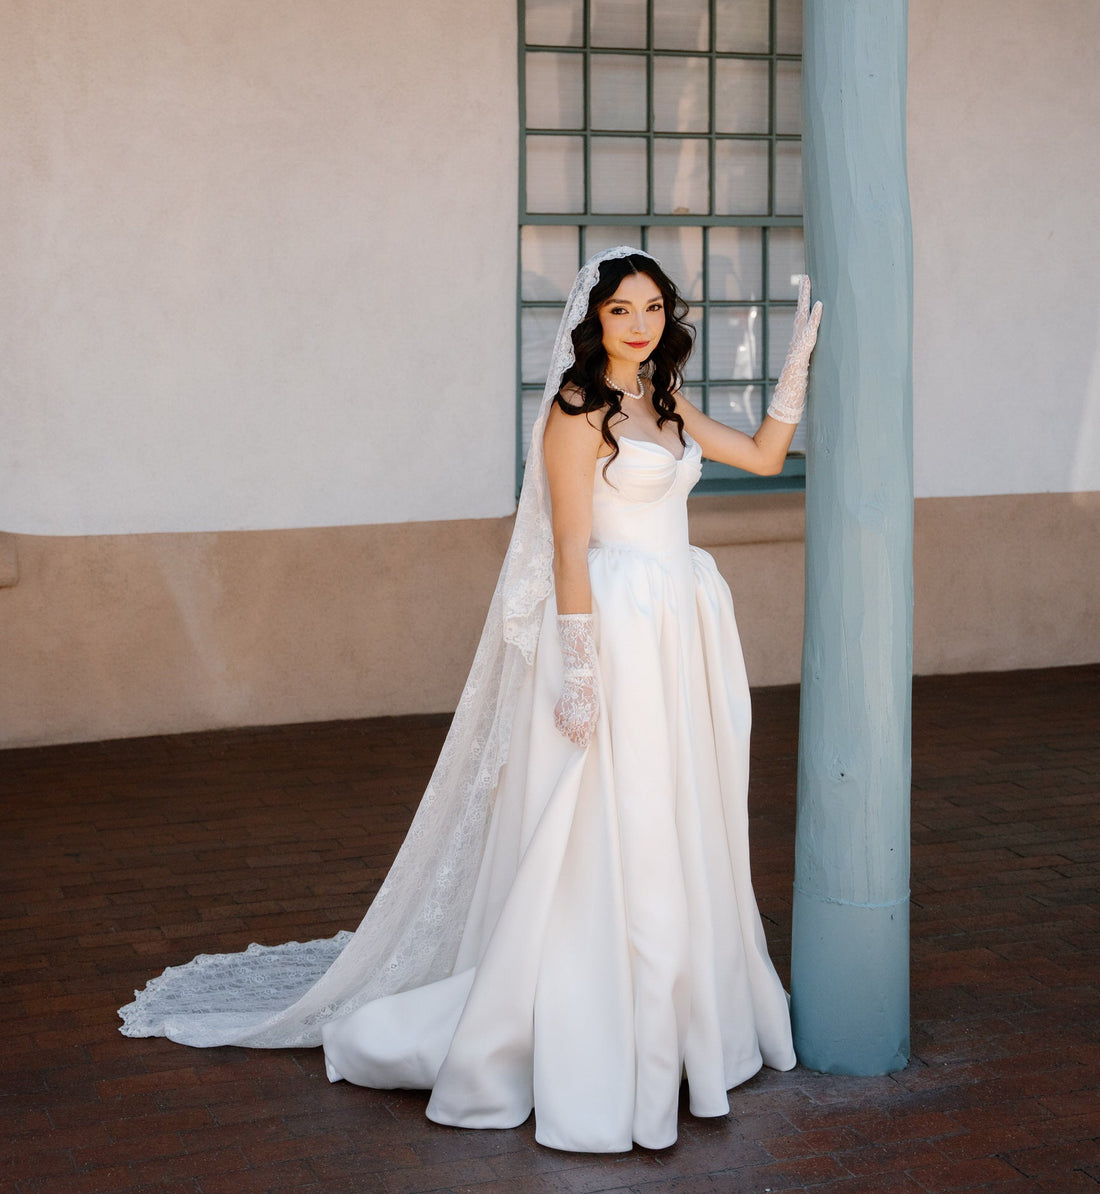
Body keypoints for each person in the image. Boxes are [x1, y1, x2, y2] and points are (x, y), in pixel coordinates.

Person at [119, 246, 822, 1154]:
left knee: (679, 814)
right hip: (613, 632)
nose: (640, 323)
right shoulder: (576, 414)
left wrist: (796, 366)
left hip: (677, 632)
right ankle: (599, 1029)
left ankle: (683, 1022)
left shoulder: (668, 400)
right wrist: (578, 670)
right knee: (610, 821)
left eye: (653, 307)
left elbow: (766, 459)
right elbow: (571, 549)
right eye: (621, 310)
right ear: (593, 321)